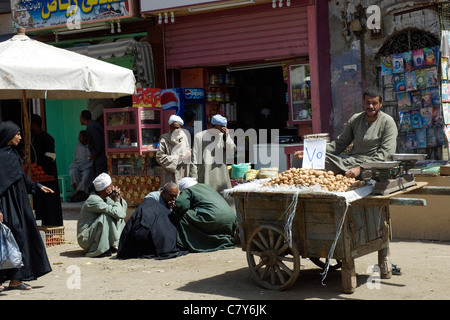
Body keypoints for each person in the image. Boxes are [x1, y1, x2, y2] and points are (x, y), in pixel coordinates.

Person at [294, 87, 398, 178]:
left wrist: (361, 168)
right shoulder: (355, 119)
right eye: (368, 103)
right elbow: (339, 144)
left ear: (381, 104)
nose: (370, 106)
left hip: (371, 164)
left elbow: (386, 153)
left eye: (374, 103)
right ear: (363, 102)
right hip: (349, 161)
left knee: (369, 171)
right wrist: (312, 153)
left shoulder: (388, 122)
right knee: (306, 160)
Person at [0, 121, 53, 291]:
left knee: (21, 238)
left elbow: (21, 176)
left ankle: (16, 279)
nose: (20, 137)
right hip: (6, 205)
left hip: (19, 204)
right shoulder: (1, 158)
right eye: (17, 134)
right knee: (8, 239)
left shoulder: (12, 154)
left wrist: (36, 186)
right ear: (8, 136)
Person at [117, 182, 188, 260]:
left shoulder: (173, 199)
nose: (174, 198)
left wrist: (172, 209)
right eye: (171, 195)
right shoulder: (152, 198)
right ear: (163, 192)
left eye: (175, 196)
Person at [173, 177, 237, 253]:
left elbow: (181, 205)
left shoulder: (188, 190)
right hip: (231, 217)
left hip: (213, 217)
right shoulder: (208, 186)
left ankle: (191, 242)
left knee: (183, 215)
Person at [77, 173, 127, 257]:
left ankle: (116, 243)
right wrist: (116, 201)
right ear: (107, 189)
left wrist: (118, 198)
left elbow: (121, 213)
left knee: (116, 215)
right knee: (105, 217)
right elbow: (117, 212)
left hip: (93, 234)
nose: (113, 187)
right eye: (111, 185)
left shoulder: (106, 198)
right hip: (85, 239)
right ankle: (100, 249)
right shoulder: (93, 200)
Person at [30, 114, 63, 226]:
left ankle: (52, 226)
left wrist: (37, 165)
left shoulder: (47, 138)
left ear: (34, 124)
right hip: (37, 178)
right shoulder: (31, 138)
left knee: (49, 204)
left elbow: (50, 158)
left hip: (48, 177)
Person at [190, 114, 236, 194]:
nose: (222, 130)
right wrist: (193, 178)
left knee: (224, 201)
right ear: (212, 125)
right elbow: (194, 159)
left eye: (223, 128)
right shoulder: (199, 137)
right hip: (205, 176)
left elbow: (231, 151)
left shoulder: (224, 137)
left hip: (221, 177)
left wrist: (227, 138)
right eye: (220, 128)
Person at [156, 115, 191, 186]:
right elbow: (159, 157)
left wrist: (189, 153)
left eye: (177, 128)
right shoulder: (164, 140)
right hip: (170, 173)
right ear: (170, 127)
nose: (175, 130)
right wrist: (177, 158)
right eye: (173, 127)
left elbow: (187, 149)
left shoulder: (184, 137)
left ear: (181, 127)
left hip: (183, 171)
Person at [80, 110, 107, 177]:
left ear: (83, 118)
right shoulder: (93, 125)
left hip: (100, 157)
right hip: (99, 157)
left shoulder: (91, 127)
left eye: (80, 118)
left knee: (99, 177)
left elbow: (98, 142)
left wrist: (93, 154)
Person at [68, 130, 93, 202]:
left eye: (80, 136)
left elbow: (91, 160)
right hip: (78, 165)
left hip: (87, 166)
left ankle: (77, 192)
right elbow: (76, 159)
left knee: (86, 174)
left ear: (85, 137)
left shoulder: (90, 146)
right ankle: (79, 192)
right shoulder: (78, 145)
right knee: (72, 172)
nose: (78, 138)